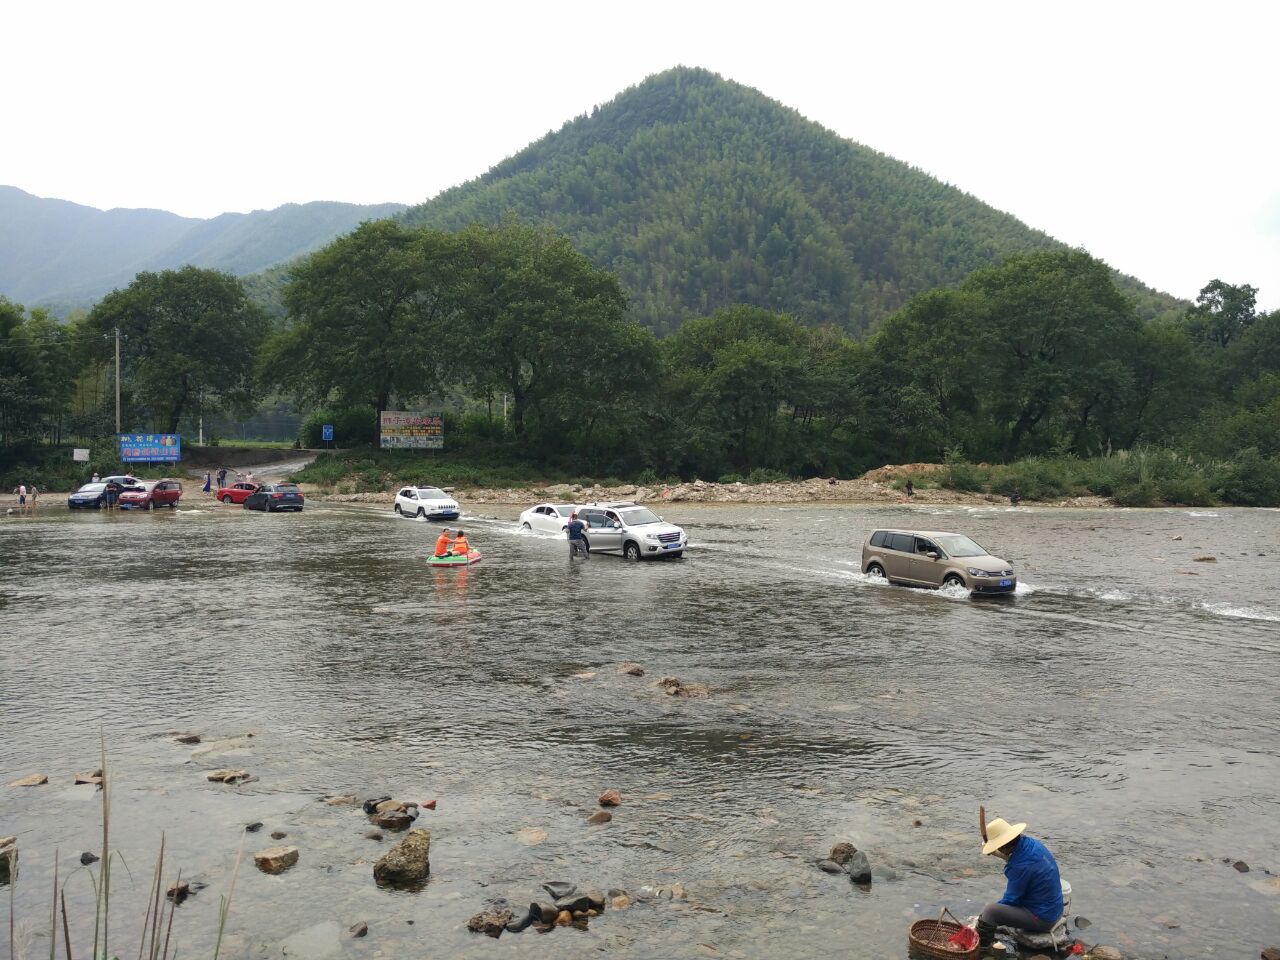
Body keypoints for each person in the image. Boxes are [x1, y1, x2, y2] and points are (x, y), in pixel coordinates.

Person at [976, 816, 1063, 953]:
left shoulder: (1020, 866)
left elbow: (1011, 900)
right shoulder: (1031, 844)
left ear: (1004, 846)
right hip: (1054, 908)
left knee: (990, 911)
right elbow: (1017, 862)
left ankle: (981, 949)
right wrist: (998, 853)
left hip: (1043, 918)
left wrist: (984, 919)